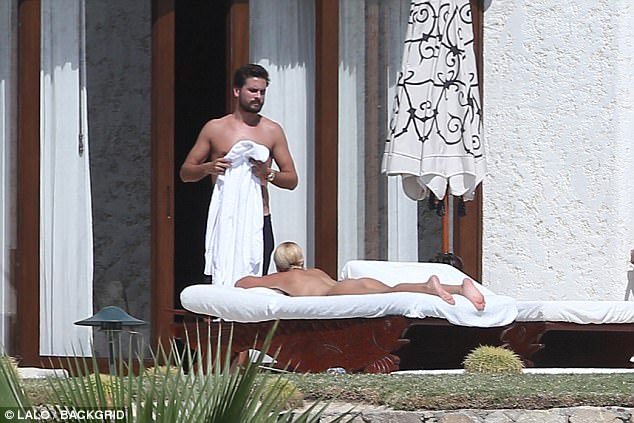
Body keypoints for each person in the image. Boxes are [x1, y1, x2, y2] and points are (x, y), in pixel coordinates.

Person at [180, 64, 298, 277]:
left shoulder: (272, 131)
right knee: (219, 279)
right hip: (225, 216)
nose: (258, 97)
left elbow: (291, 179)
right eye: (253, 90)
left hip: (258, 218)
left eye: (262, 92)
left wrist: (268, 174)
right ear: (237, 91)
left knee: (254, 281)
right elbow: (186, 173)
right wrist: (208, 168)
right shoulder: (215, 128)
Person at [236, 242, 486, 311]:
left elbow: (243, 283)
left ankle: (430, 287)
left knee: (391, 292)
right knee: (391, 288)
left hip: (337, 293)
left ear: (280, 264)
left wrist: (271, 282)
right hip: (349, 284)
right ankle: (457, 288)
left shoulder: (284, 278)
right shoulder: (315, 272)